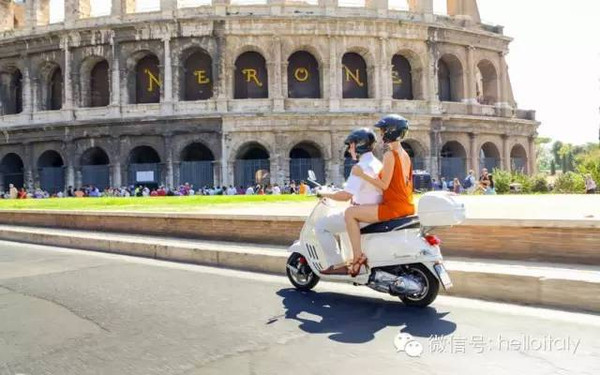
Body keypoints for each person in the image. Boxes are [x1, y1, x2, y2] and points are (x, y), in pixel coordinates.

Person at [344, 114, 415, 277]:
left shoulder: (390, 155)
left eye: (383, 131)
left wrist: (362, 175)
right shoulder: (405, 154)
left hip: (393, 207)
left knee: (350, 213)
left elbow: (384, 186)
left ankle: (357, 257)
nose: (381, 135)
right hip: (407, 205)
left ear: (391, 132)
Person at [317, 128, 382, 275]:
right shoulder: (377, 163)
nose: (348, 148)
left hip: (362, 214)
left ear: (357, 145)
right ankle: (351, 259)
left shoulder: (360, 167)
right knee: (342, 222)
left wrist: (326, 194)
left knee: (321, 226)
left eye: (350, 145)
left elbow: (345, 195)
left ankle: (337, 264)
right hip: (373, 211)